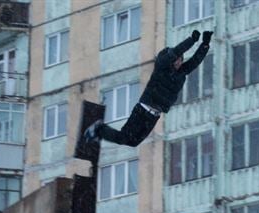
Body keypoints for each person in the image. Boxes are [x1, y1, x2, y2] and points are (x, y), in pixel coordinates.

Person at [84, 30, 213, 147]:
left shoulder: (181, 73)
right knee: (123, 137)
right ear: (171, 60)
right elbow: (175, 51)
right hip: (144, 109)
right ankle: (98, 129)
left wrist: (205, 44)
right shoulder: (161, 66)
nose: (179, 63)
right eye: (177, 60)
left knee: (133, 142)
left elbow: (195, 61)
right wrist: (191, 40)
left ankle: (100, 131)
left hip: (154, 115)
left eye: (181, 60)